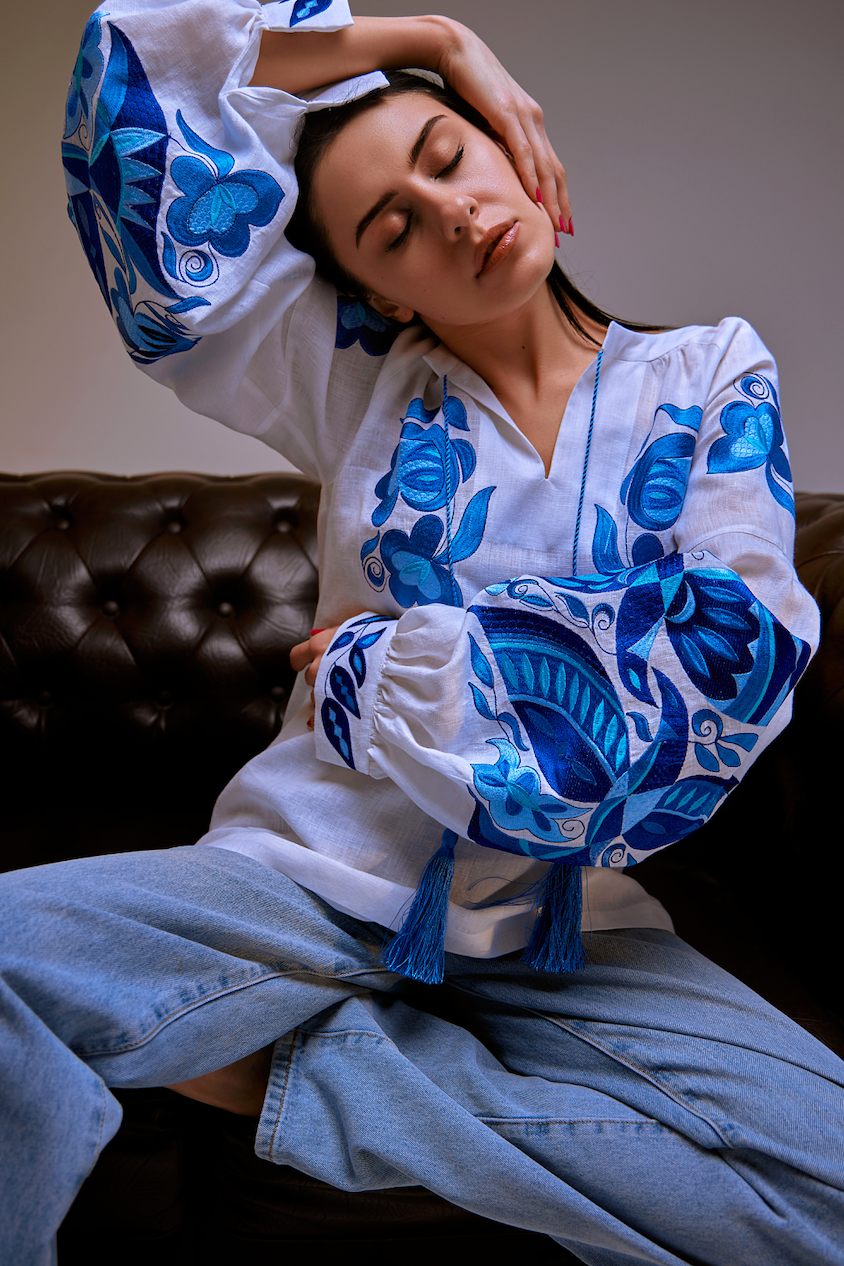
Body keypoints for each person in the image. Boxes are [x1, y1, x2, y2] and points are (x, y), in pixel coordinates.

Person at [3, 1, 842, 1262]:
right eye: (390, 227)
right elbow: (133, 67)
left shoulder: (710, 373)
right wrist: (434, 39)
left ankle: (325, 1084)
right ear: (375, 292)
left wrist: (397, 668)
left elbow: (736, 642)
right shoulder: (346, 376)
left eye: (448, 156)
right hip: (307, 881)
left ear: (511, 148)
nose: (447, 214)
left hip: (567, 927)